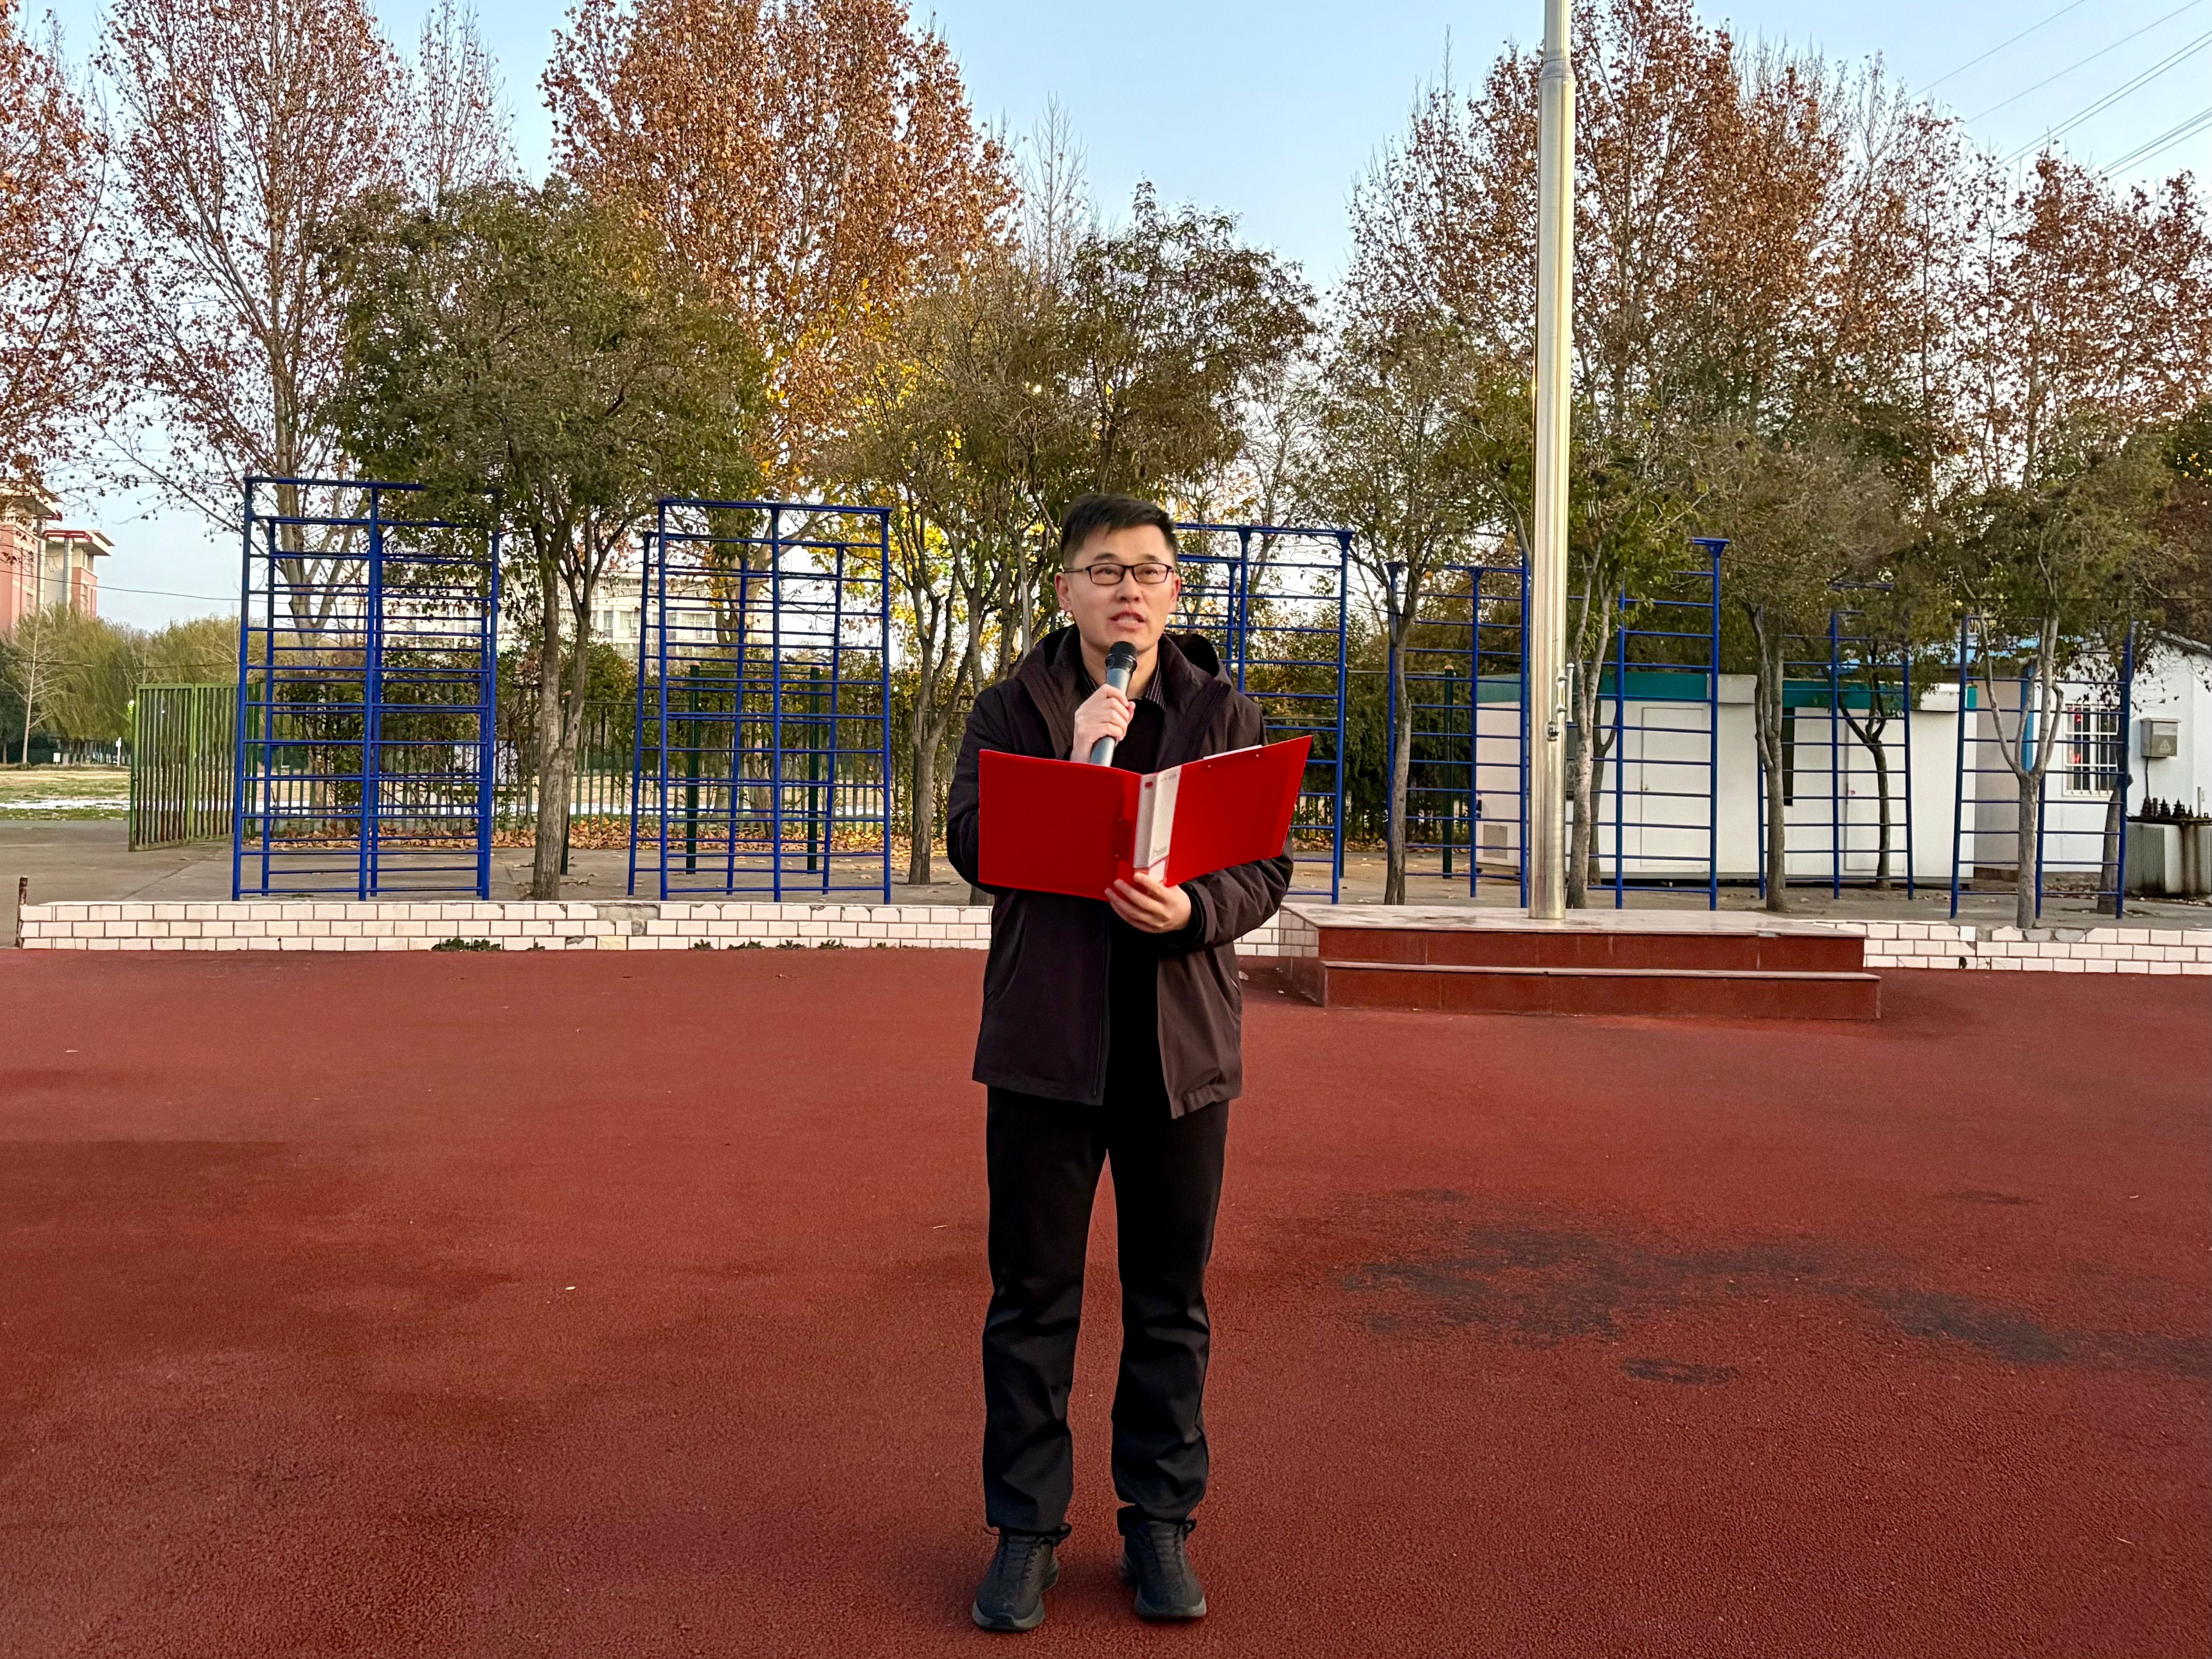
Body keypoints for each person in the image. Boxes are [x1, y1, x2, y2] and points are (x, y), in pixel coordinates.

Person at [946, 493, 1293, 1633]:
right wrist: (1070, 757)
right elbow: (971, 843)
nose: (1127, 591)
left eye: (1147, 571)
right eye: (1104, 570)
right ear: (1066, 590)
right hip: (1046, 1049)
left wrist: (1192, 910)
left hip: (1175, 1054)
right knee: (1031, 1298)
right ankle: (1025, 1533)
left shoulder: (1223, 712)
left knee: (1169, 1301)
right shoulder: (1011, 707)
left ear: (1174, 591)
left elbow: (1264, 872)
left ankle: (1158, 1523)